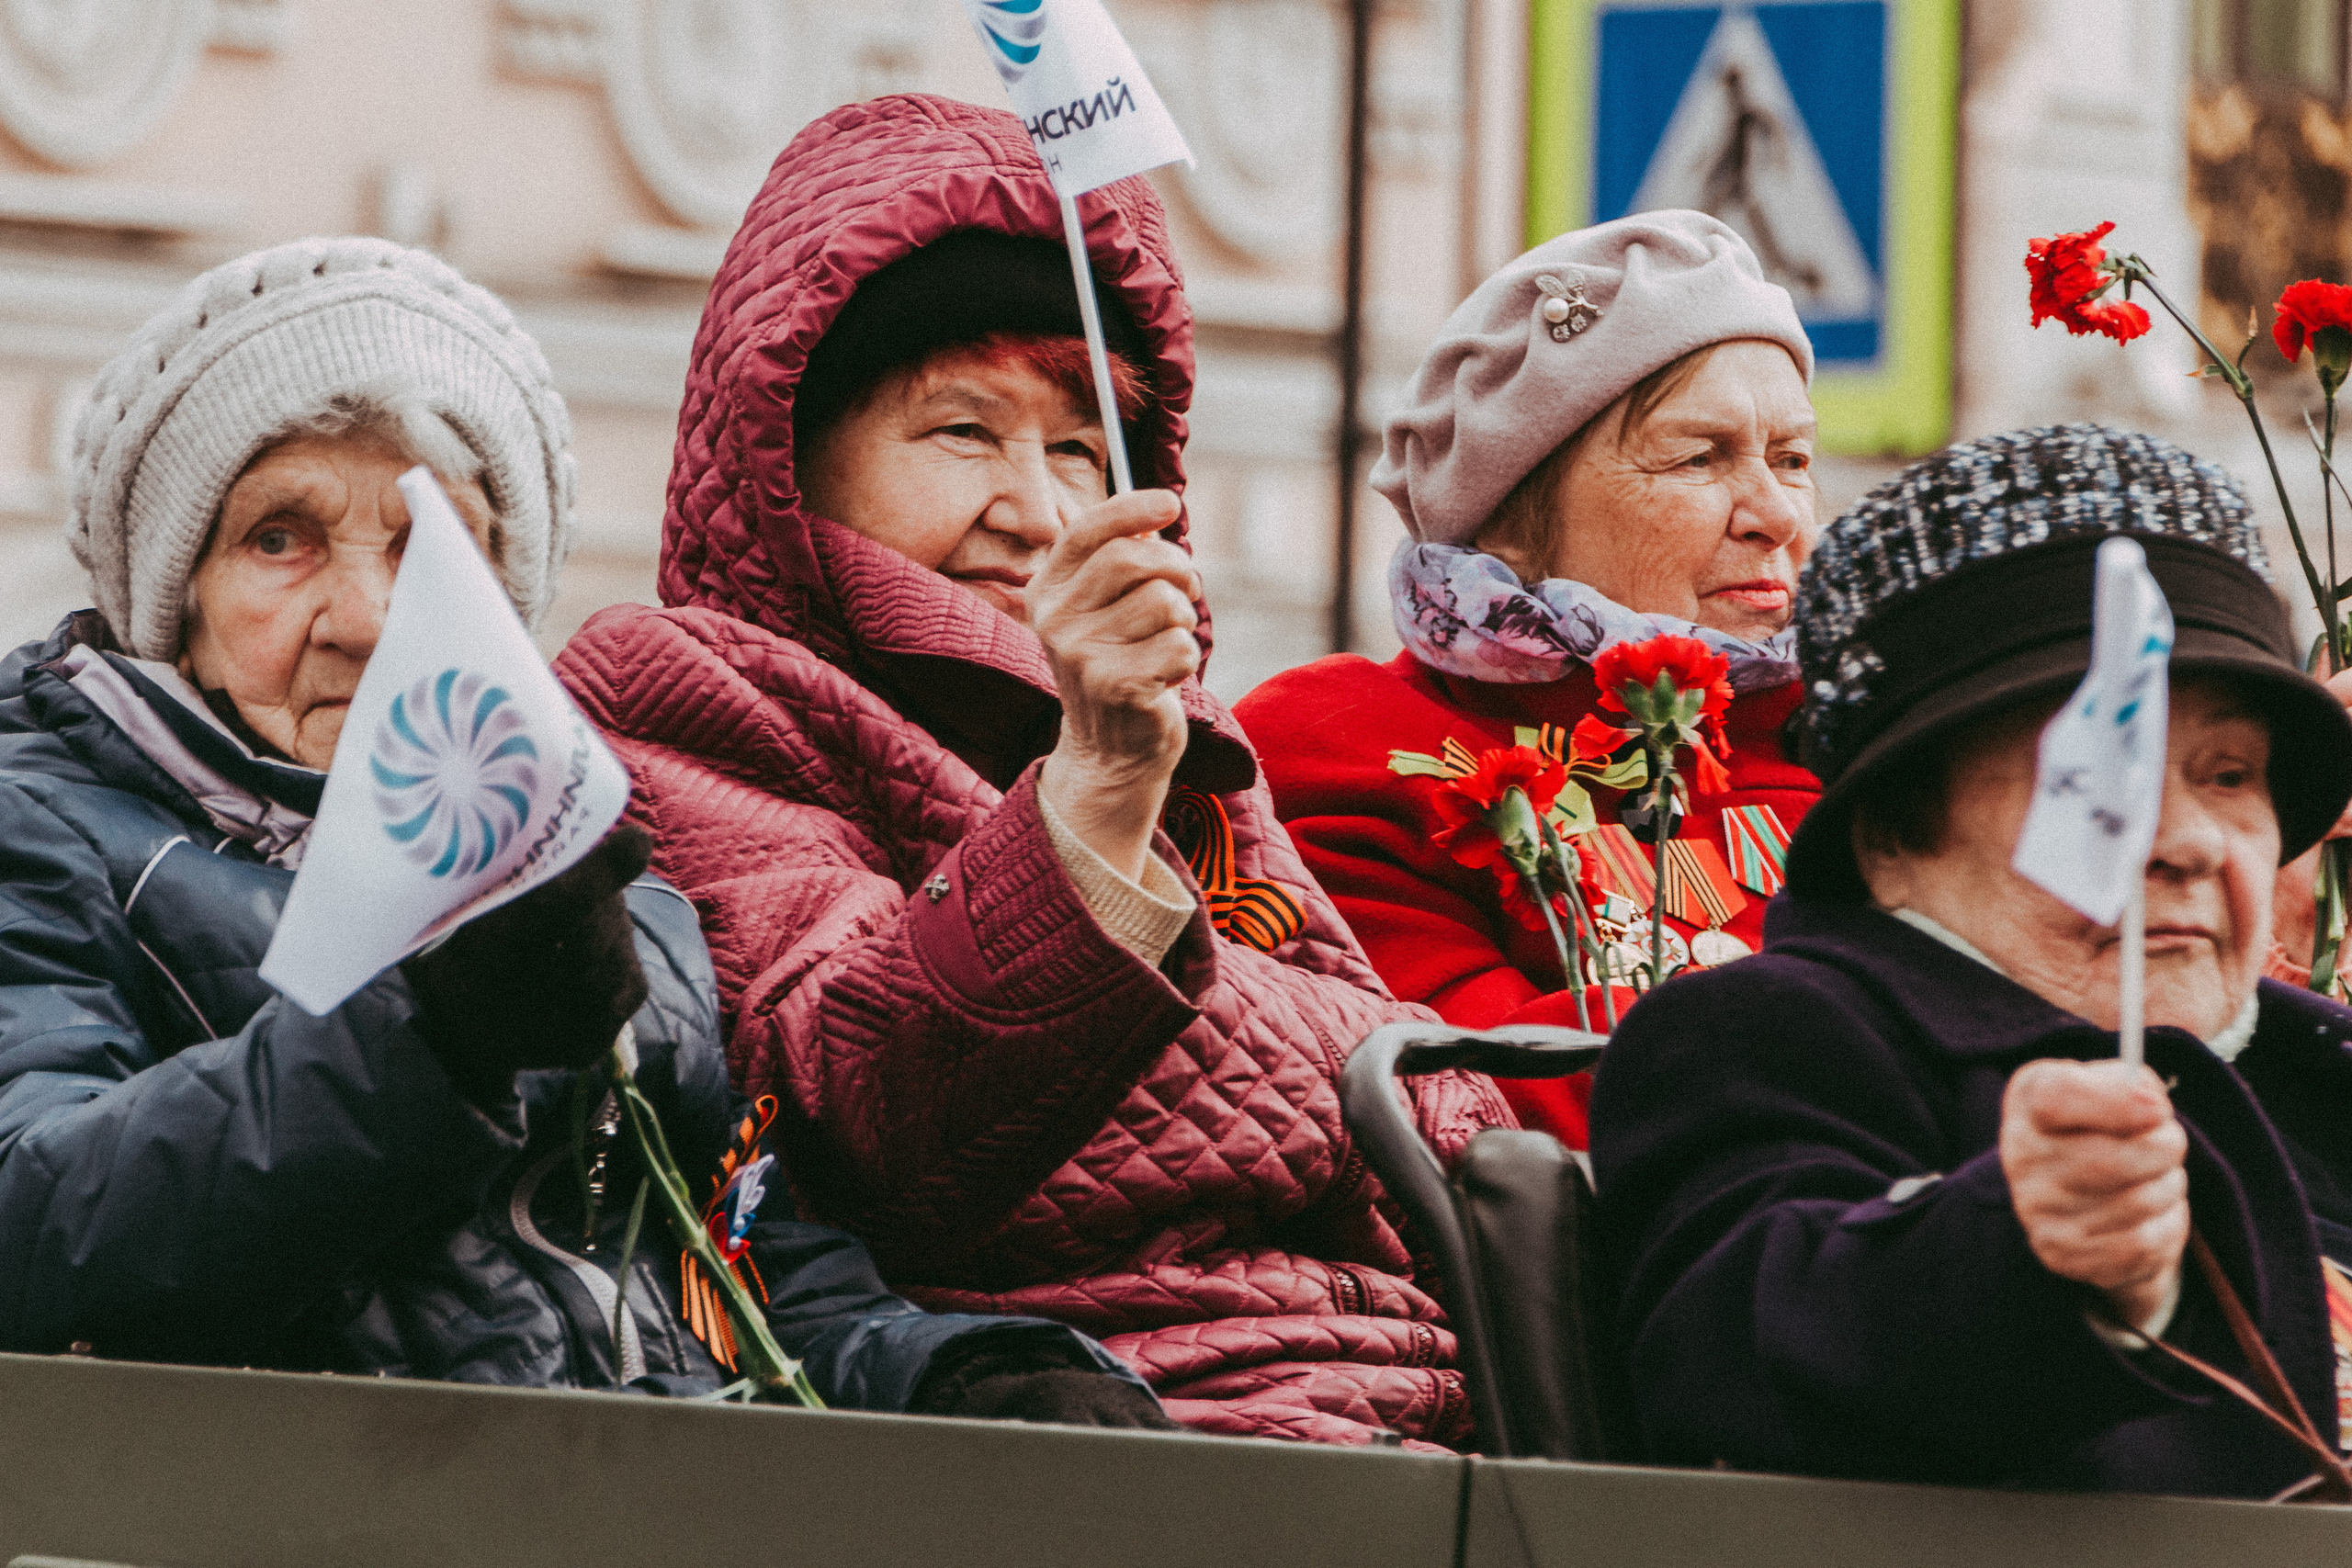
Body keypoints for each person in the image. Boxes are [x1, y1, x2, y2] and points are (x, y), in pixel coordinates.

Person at [0, 235, 1165, 1424]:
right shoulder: (44, 825)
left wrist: (947, 1367)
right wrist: (436, 1036)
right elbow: (32, 1222)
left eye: (429, 544)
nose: (362, 617)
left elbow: (740, 1260)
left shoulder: (599, 866)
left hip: (632, 1506)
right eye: (278, 538)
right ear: (174, 592)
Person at [555, 94, 1511, 1450]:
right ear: (788, 449)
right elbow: (856, 1124)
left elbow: (1444, 1117)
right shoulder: (685, 692)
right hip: (1090, 1442)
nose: (1041, 510)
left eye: (1077, 446)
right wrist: (1097, 800)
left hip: (1418, 1421)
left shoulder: (1186, 747)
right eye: (960, 431)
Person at [1590, 423, 2352, 1496]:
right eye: (2090, 778)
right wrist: (2036, 1253)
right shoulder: (1773, 1037)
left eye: (2228, 776)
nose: (2178, 842)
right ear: (1891, 835)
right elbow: (1744, 1352)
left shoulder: (2319, 1071)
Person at [1236, 212, 1823, 1145]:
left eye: (1792, 458)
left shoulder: (1867, 744)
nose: (1777, 514)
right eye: (1698, 457)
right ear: (1508, 519)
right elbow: (1475, 1104)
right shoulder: (1351, 750)